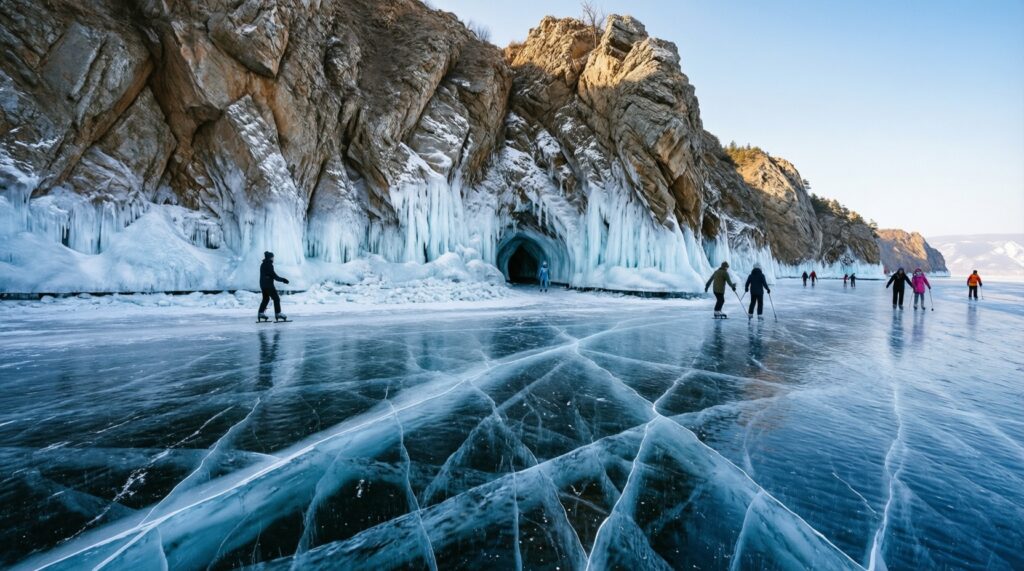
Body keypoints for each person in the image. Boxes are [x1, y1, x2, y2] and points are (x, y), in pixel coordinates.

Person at [258, 251, 289, 321]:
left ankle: (260, 313)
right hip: (269, 285)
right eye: (273, 257)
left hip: (263, 285)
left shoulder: (263, 264)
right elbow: (274, 276)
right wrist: (283, 280)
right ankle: (278, 313)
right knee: (276, 298)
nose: (273, 259)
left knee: (266, 299)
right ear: (270, 258)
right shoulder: (269, 264)